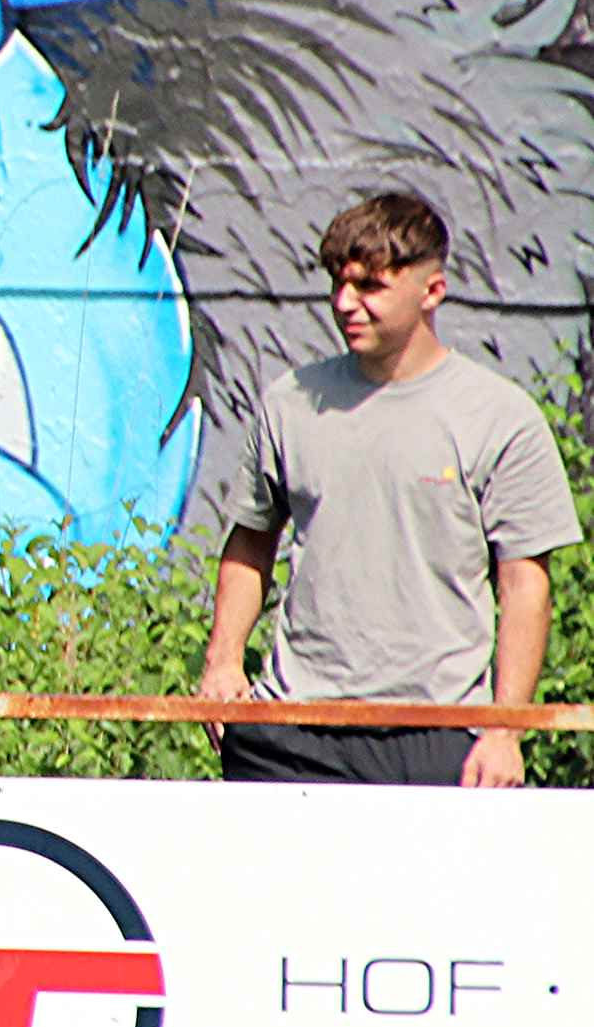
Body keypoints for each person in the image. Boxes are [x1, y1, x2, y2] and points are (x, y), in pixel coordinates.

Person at [199, 191, 575, 785]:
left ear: (432, 291)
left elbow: (525, 583)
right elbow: (250, 542)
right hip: (290, 728)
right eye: (338, 283)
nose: (344, 303)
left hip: (438, 732)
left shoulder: (499, 416)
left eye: (370, 287)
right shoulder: (290, 403)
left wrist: (505, 731)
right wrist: (222, 664)